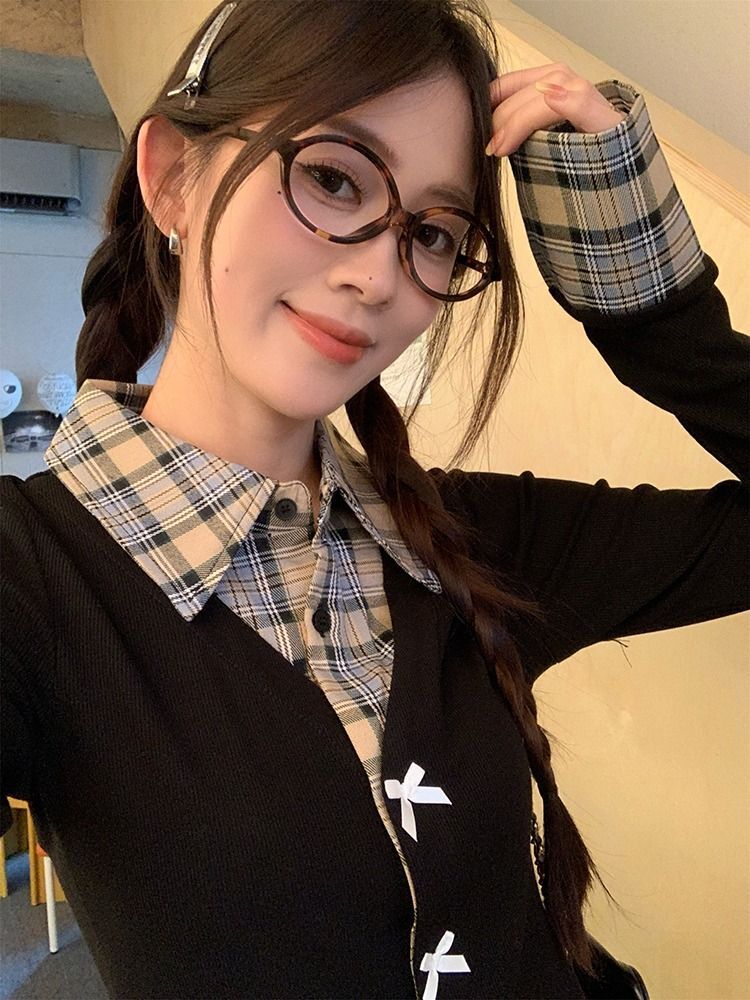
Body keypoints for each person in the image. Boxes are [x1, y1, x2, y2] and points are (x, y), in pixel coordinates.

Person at [1, 1, 747, 998]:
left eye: (432, 233)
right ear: (173, 177)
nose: (378, 276)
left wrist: (652, 310)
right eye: (331, 177)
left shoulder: (469, 541)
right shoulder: (32, 581)